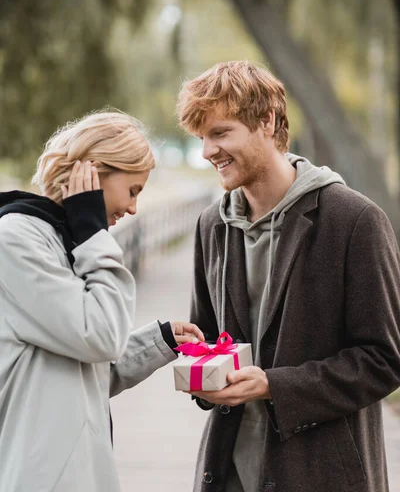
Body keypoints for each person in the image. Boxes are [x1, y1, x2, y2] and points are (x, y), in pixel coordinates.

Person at [176, 61, 400, 492]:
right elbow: (206, 341)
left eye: (221, 133)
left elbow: (384, 360)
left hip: (322, 476)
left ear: (267, 122)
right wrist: (200, 376)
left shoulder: (356, 222)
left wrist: (273, 386)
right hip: (227, 474)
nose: (207, 152)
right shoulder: (211, 226)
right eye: (202, 138)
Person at [0, 110, 204, 492]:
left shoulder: (63, 240)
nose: (133, 209)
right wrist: (95, 235)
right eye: (133, 190)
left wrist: (158, 340)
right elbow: (100, 336)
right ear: (93, 174)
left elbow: (83, 370)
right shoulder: (17, 241)